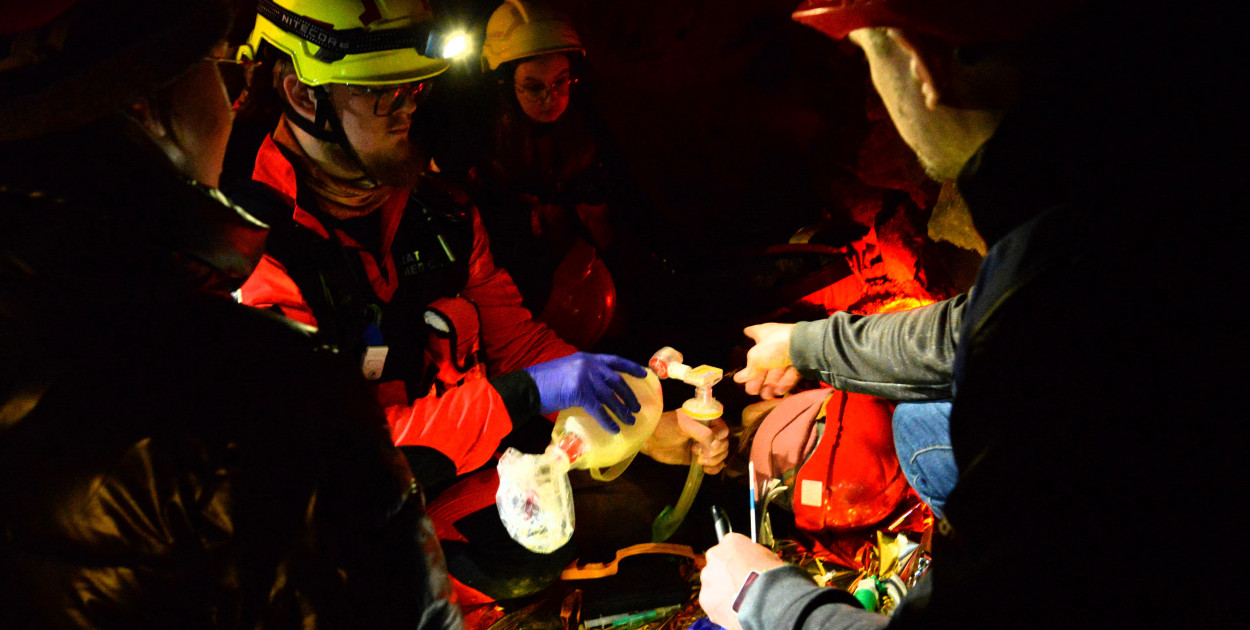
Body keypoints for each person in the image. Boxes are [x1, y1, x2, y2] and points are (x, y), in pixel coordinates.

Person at [701, 0, 1248, 628]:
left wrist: (763, 599)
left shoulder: (1062, 301)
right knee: (919, 429)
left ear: (922, 63)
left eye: (867, 64)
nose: (876, 107)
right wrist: (806, 344)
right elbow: (966, 330)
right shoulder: (1144, 183)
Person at [229, 0, 728, 602]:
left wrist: (642, 423)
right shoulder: (254, 255)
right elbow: (339, 462)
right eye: (385, 89)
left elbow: (518, 342)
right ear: (305, 98)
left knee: (609, 515)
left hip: (462, 487)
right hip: (341, 534)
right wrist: (529, 393)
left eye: (416, 84)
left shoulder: (440, 213)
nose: (410, 104)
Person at [0, 0, 460, 627]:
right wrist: (515, 397)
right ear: (147, 108)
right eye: (222, 77)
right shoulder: (258, 386)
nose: (236, 102)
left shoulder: (35, 327)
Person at [471, 0, 636, 350]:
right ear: (505, 84)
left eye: (562, 82)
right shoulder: (478, 151)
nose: (552, 98)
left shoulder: (589, 133)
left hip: (590, 300)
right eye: (533, 87)